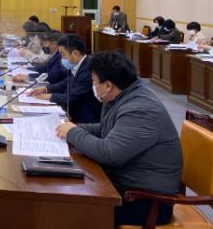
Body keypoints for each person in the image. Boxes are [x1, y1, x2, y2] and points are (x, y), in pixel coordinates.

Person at [55, 51, 182, 227]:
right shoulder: (124, 95)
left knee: (67, 209)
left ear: (108, 85)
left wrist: (73, 133)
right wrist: (74, 128)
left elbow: (109, 154)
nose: (93, 85)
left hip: (147, 201)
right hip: (125, 185)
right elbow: (107, 129)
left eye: (94, 81)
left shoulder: (141, 109)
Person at [28, 34, 101, 123]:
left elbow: (72, 97)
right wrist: (45, 89)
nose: (61, 59)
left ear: (75, 53)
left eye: (62, 54)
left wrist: (48, 96)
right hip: (72, 112)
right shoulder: (78, 64)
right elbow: (65, 83)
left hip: (84, 120)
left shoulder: (88, 69)